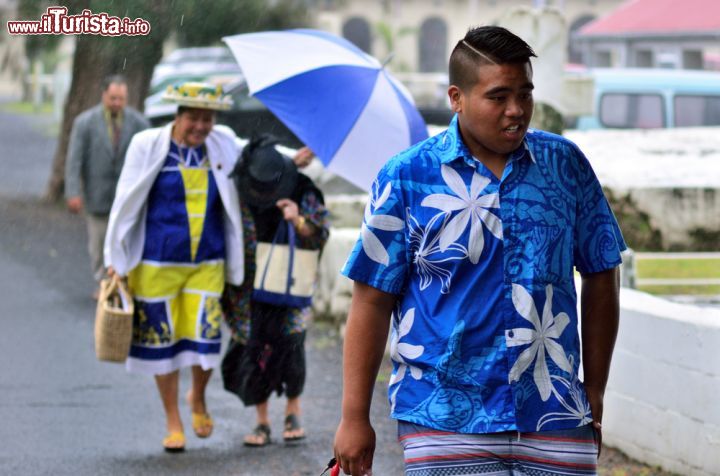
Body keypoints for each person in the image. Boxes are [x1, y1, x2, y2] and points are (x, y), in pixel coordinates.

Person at [333, 26, 626, 476]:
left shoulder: (564, 165)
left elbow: (602, 271)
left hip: (555, 412)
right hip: (441, 415)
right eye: (499, 97)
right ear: (457, 97)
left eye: (525, 94)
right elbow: (372, 300)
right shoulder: (407, 177)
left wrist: (596, 388)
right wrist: (354, 418)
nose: (516, 111)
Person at [104, 82, 244, 453]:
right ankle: (172, 419)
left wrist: (294, 157)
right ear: (177, 116)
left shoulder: (222, 142)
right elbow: (124, 202)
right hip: (155, 260)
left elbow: (256, 152)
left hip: (208, 260)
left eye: (207, 119)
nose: (201, 126)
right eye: (193, 118)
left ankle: (197, 396)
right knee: (162, 343)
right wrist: (115, 261)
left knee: (205, 337)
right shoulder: (148, 144)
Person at [220, 135, 329, 448]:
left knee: (292, 342)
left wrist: (298, 221)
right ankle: (262, 420)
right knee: (254, 347)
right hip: (247, 286)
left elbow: (319, 233)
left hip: (289, 282)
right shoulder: (240, 187)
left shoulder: (302, 187)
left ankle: (293, 411)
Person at [65, 74, 150, 297]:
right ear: (103, 95)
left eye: (121, 99)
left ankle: (122, 282)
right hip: (97, 195)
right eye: (113, 98)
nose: (117, 103)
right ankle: (103, 282)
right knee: (99, 243)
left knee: (126, 240)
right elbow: (74, 159)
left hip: (128, 197)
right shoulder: (85, 122)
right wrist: (73, 191)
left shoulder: (139, 123)